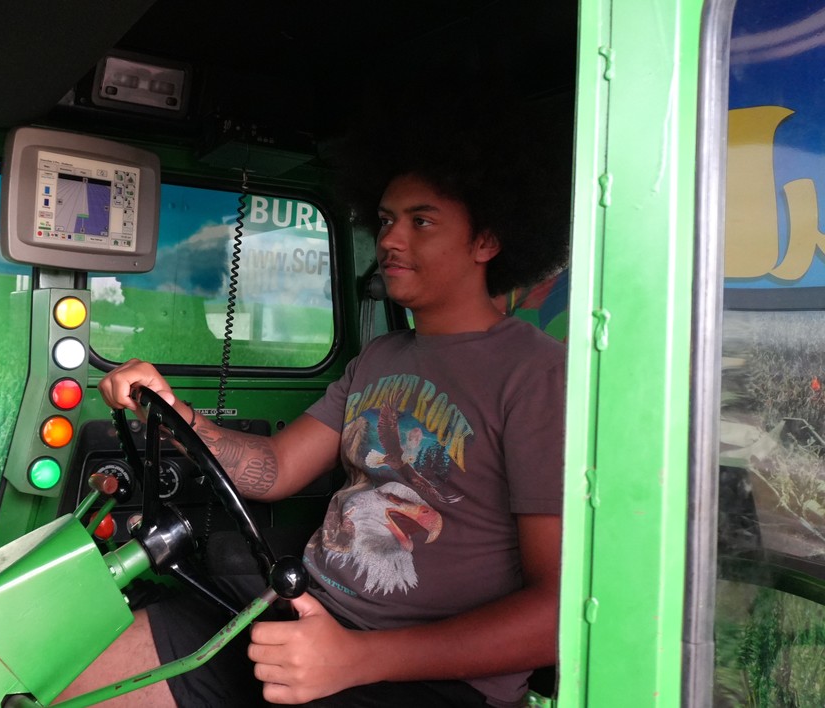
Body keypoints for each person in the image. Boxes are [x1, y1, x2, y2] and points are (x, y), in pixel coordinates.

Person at [61, 78, 570, 708]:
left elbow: (554, 615)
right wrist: (174, 413)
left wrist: (357, 659)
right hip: (302, 620)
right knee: (69, 681)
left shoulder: (539, 375)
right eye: (386, 219)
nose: (390, 239)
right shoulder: (381, 358)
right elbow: (273, 470)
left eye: (422, 220)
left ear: (487, 241)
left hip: (430, 681)